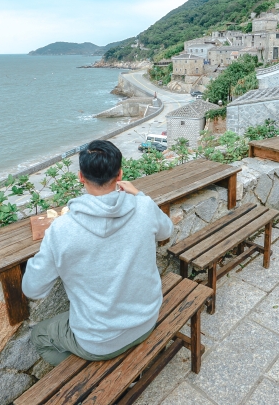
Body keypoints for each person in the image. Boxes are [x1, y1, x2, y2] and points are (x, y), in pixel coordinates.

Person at [22, 139, 173, 366]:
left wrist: (49, 250)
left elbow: (32, 289)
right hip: (147, 320)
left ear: (81, 177)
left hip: (99, 342)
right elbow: (166, 231)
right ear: (120, 175)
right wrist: (140, 195)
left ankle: (81, 381)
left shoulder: (62, 229)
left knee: (40, 335)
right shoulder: (143, 206)